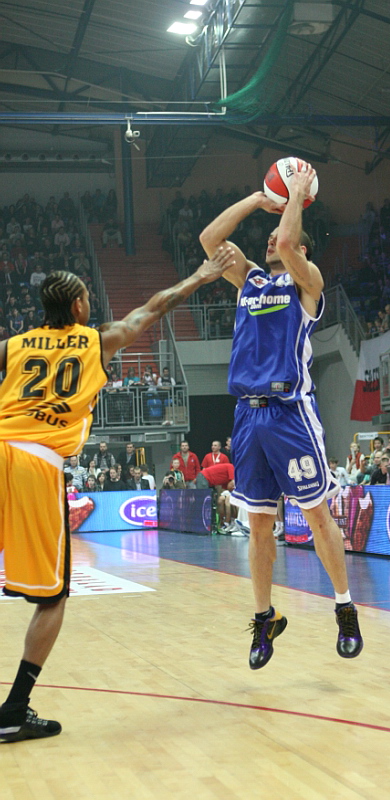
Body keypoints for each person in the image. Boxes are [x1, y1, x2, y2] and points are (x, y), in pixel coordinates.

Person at [0, 248, 235, 743]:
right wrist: (201, 275)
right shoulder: (97, 340)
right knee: (52, 597)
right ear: (79, 306)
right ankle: (14, 709)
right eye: (87, 297)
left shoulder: (14, 345)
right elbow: (155, 307)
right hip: (34, 463)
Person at [200, 162, 363, 670]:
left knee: (316, 515)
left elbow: (290, 242)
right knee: (259, 525)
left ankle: (344, 607)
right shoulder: (249, 279)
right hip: (247, 417)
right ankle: (264, 617)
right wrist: (257, 199)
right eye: (268, 236)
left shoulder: (307, 283)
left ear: (303, 251)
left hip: (290, 413)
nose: (272, 239)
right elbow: (209, 240)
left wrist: (295, 194)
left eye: (279, 236)